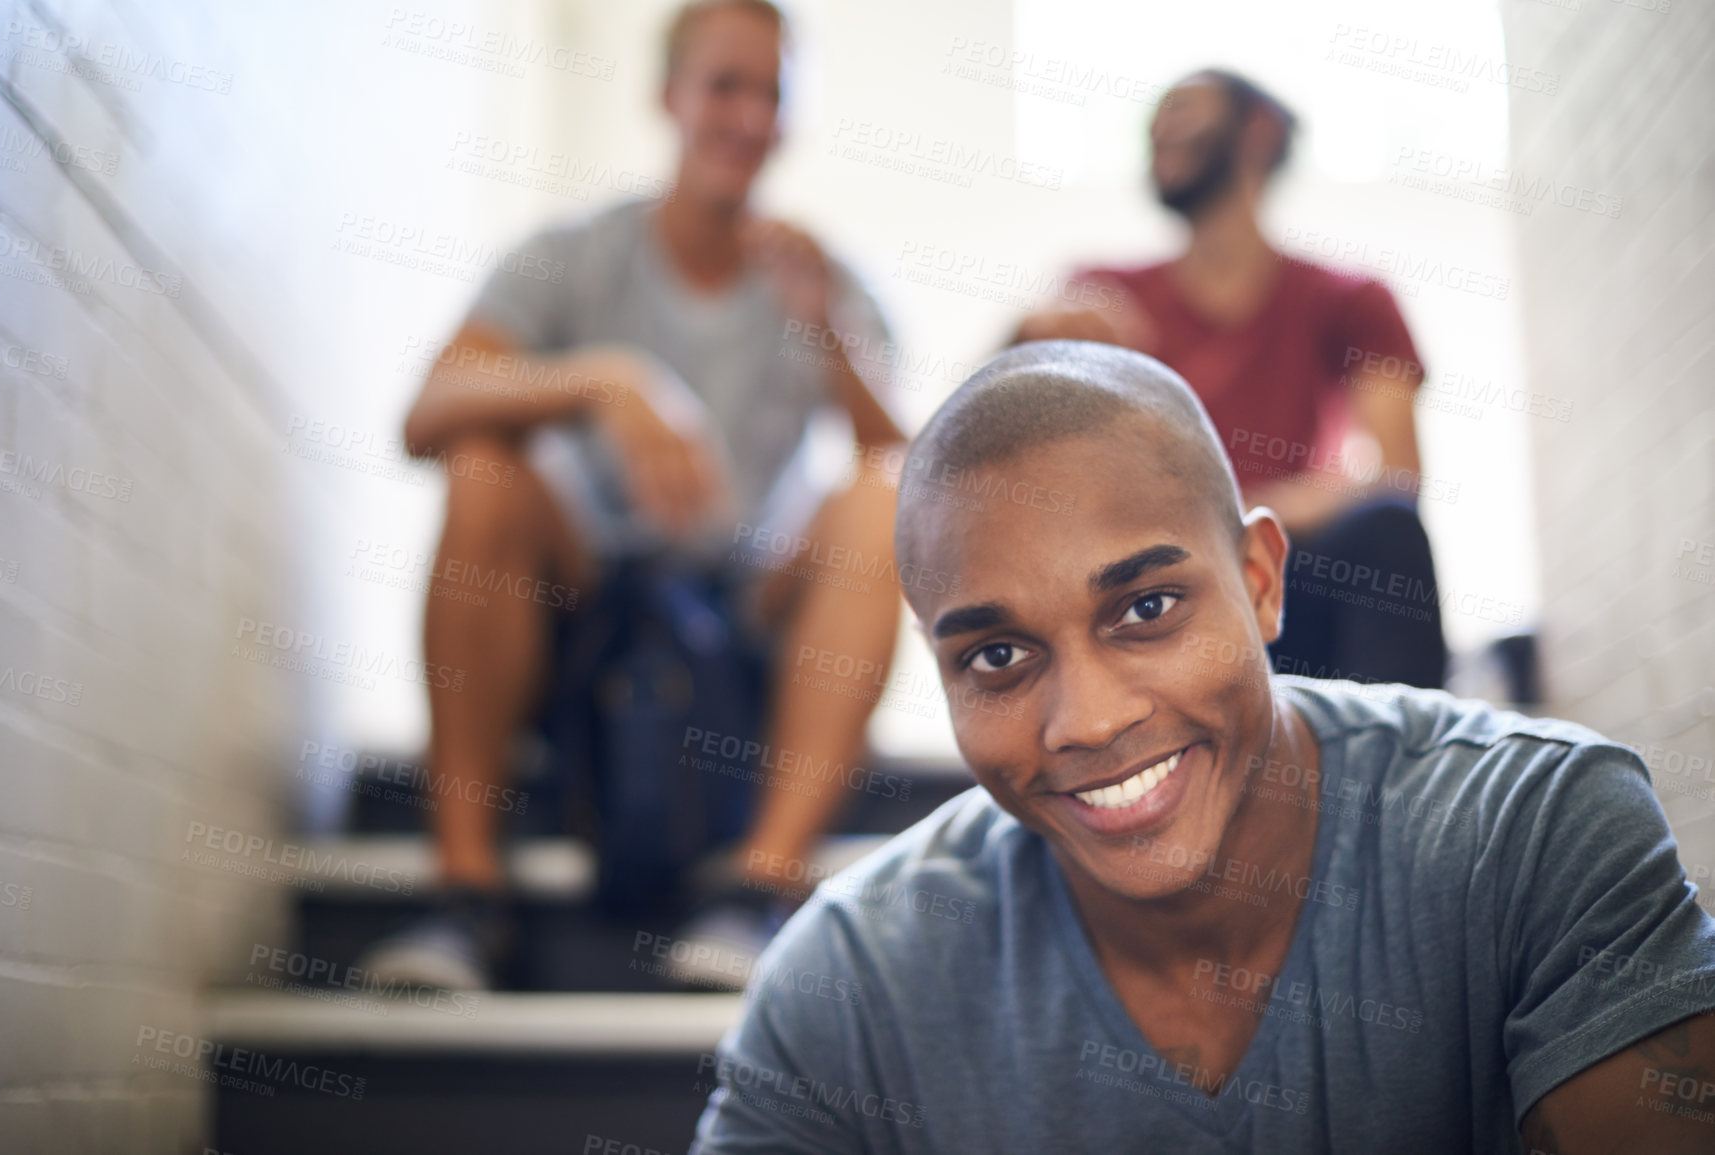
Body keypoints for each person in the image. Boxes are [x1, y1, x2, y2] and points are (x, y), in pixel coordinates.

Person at [691, 342, 1715, 1153]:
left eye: (1146, 607)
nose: (1087, 721)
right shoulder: (850, 983)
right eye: (998, 655)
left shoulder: (1532, 834)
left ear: (1262, 580)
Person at [363, 0, 908, 991]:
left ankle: (760, 887)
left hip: (746, 615)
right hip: (588, 604)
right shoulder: (575, 259)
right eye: (724, 85)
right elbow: (426, 414)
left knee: (882, 493)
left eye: (772, 94)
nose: (747, 116)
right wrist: (603, 378)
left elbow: (912, 479)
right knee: (484, 463)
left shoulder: (825, 282)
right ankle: (464, 897)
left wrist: (829, 335)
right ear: (669, 97)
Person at [1015, 69, 1447, 690]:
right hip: (1145, 586)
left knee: (1388, 530)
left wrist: (1233, 518)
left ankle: (1401, 770)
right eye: (1155, 118)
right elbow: (1002, 450)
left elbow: (1396, 473)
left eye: (1184, 109)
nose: (1160, 128)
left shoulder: (1351, 299)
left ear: (1260, 131)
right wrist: (1026, 339)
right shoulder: (1099, 295)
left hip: (1287, 586)